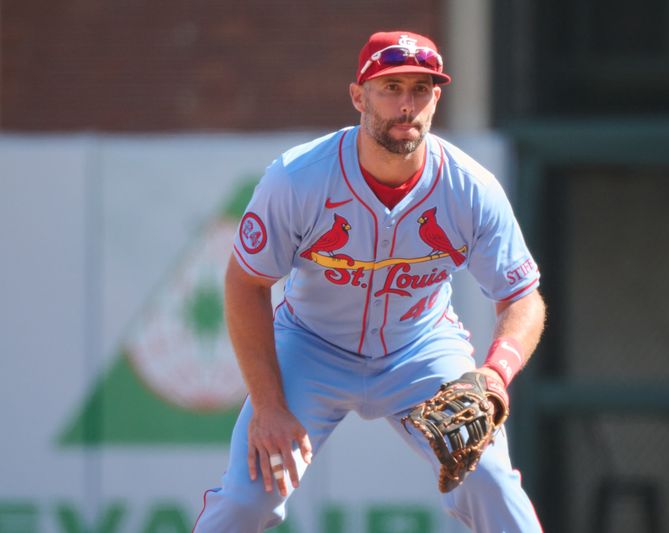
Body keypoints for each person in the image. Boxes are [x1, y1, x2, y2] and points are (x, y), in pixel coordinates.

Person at [193, 30, 546, 533]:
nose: (407, 105)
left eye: (421, 89)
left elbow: (521, 296)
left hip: (420, 347)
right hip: (311, 346)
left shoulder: (470, 188)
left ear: (436, 98)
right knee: (249, 498)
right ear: (358, 95)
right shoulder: (299, 177)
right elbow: (245, 283)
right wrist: (269, 406)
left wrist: (495, 373)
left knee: (489, 479)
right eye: (391, 87)